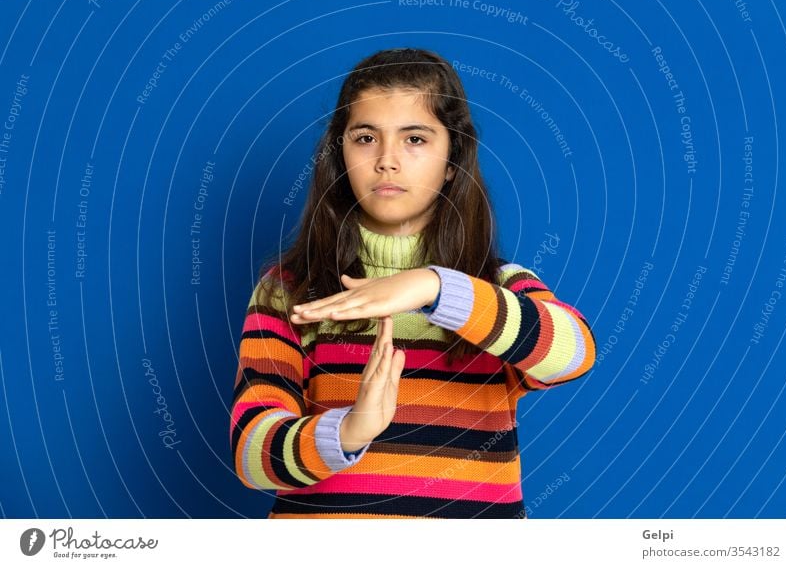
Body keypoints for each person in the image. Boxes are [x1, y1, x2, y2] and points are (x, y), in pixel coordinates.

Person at [230, 48, 596, 519]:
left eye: (416, 139)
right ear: (339, 154)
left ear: (452, 159)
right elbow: (250, 457)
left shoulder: (496, 289)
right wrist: (348, 431)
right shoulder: (287, 291)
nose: (387, 160)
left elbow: (574, 355)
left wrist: (437, 289)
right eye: (365, 137)